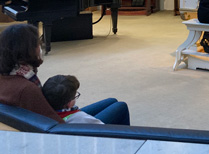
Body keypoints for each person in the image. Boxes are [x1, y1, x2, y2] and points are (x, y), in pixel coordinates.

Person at [0, 24, 130, 125]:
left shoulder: (10, 73)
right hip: (64, 129)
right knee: (120, 107)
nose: (40, 47)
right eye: (37, 43)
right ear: (28, 49)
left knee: (111, 102)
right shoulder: (26, 89)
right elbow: (55, 125)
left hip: (56, 114)